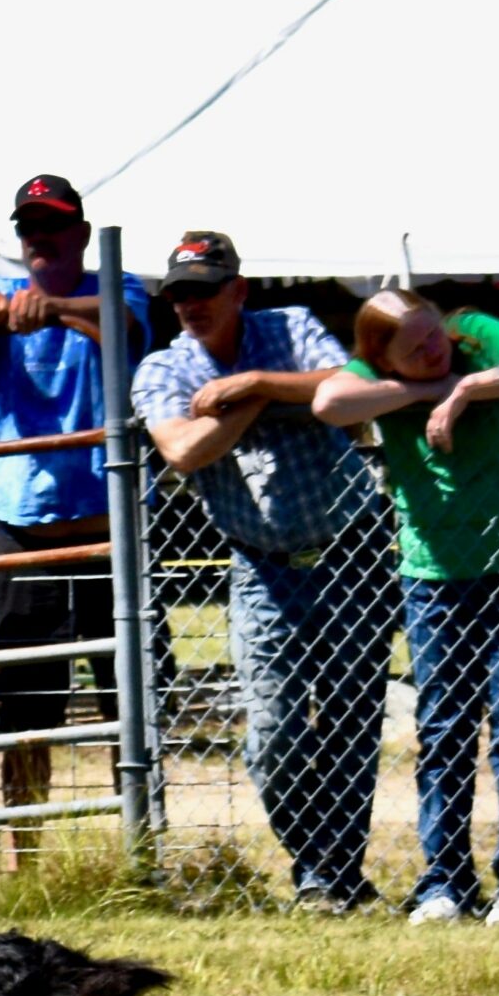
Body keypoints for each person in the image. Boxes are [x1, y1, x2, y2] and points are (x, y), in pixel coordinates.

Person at [133, 232, 395, 915]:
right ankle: (321, 867)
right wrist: (267, 402)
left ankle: (332, 881)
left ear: (239, 290)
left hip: (352, 549)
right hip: (261, 565)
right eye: (180, 293)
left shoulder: (291, 326)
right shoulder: (163, 368)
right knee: (272, 732)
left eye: (204, 289)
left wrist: (248, 385)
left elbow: (347, 382)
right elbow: (186, 450)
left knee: (350, 721)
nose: (191, 304)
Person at [0, 175, 154, 859]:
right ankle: (24, 854)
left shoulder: (119, 287)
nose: (40, 237)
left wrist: (54, 308)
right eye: (29, 226)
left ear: (81, 235)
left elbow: (124, 328)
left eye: (53, 225)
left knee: (131, 699)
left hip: (107, 534)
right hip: (23, 533)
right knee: (24, 705)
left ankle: (141, 845)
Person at [312, 290, 499, 925]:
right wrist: (424, 391)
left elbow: (467, 364)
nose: (433, 348)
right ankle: (444, 883)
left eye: (432, 335)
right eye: (415, 348)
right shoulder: (375, 380)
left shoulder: (474, 334)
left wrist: (464, 388)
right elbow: (327, 403)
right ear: (379, 356)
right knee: (445, 732)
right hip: (433, 581)